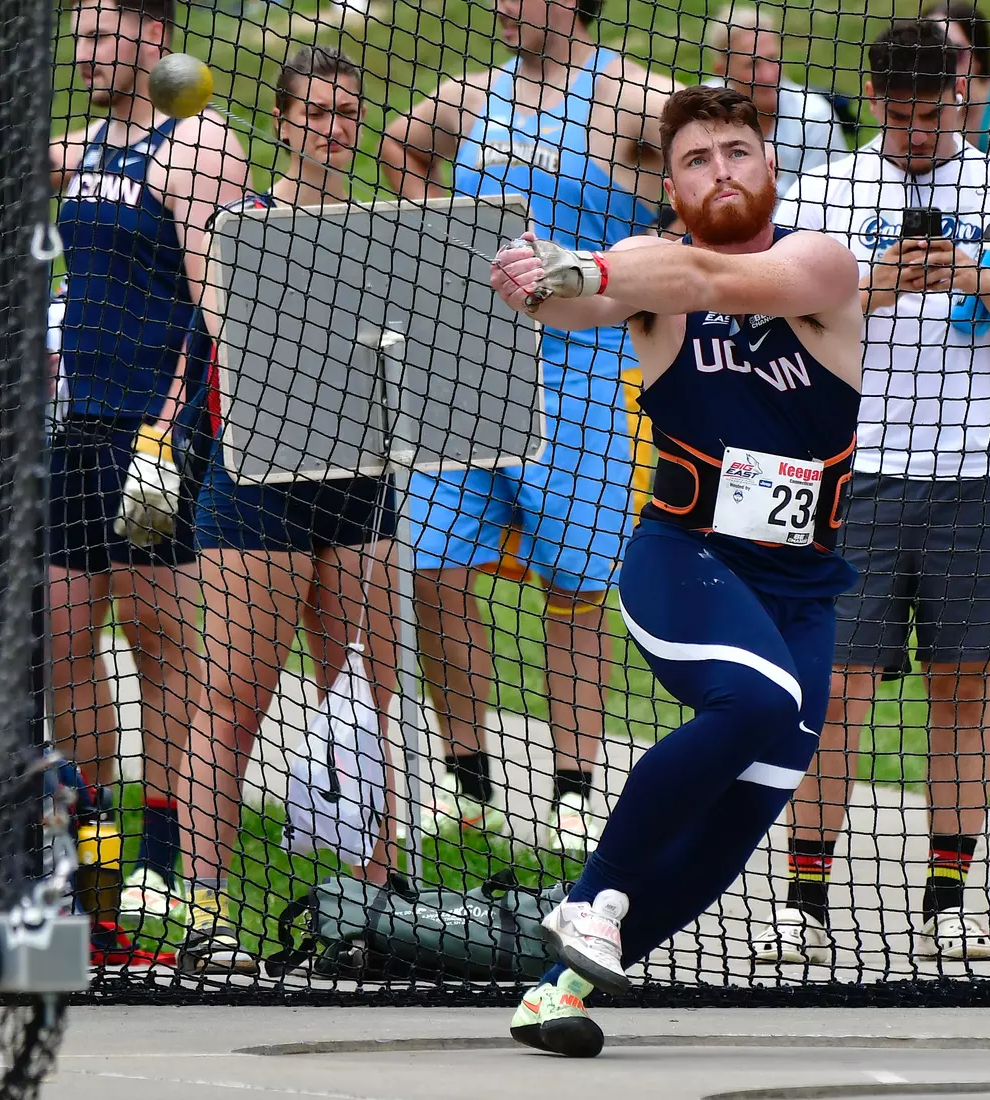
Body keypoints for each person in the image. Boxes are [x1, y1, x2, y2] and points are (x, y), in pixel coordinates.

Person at [493, 84, 864, 1057]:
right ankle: (591, 901)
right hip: (684, 556)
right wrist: (533, 278)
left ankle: (554, 993)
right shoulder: (646, 274)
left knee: (737, 818)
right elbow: (578, 304)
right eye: (696, 160)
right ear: (670, 184)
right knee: (754, 703)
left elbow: (702, 276)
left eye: (736, 151)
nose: (721, 171)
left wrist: (587, 264)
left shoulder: (820, 263)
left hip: (800, 586)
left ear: (770, 164)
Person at [761, 18, 990, 966]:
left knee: (964, 685)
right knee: (835, 689)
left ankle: (947, 900)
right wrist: (870, 289)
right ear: (875, 100)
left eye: (931, 113)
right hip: (853, 472)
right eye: (898, 116)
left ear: (964, 93)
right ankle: (803, 899)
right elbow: (768, 334)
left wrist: (985, 285)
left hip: (982, 474)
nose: (914, 132)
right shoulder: (823, 191)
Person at [379, 0, 676, 855]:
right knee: (432, 569)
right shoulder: (472, 95)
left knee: (574, 590)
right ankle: (465, 782)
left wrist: (628, 262)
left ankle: (572, 795)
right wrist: (453, 238)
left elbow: (711, 185)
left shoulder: (632, 96)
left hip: (586, 372)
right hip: (467, 358)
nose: (501, 8)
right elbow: (398, 145)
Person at [175, 45, 399, 974]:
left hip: (361, 481)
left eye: (346, 113)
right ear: (282, 122)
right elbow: (230, 336)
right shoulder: (240, 225)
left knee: (368, 699)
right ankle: (204, 913)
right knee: (233, 698)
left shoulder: (385, 231)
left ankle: (375, 910)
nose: (332, 129)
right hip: (257, 482)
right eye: (315, 112)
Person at [50, 0, 249, 932]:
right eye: (78, 38)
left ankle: (163, 862)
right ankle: (90, 864)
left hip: (152, 429)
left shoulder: (197, 146)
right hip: (76, 425)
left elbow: (215, 304)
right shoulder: (89, 143)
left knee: (156, 640)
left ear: (153, 37)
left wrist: (167, 434)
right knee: (62, 640)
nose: (83, 54)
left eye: (100, 37)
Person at [704, 3, 849, 196]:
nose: (769, 75)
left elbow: (828, 201)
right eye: (753, 64)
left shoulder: (815, 118)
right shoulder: (702, 112)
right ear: (723, 71)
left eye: (773, 59)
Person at [920, 0, 990, 157]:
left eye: (955, 53)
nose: (943, 65)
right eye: (930, 53)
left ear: (978, 57)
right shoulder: (921, 106)